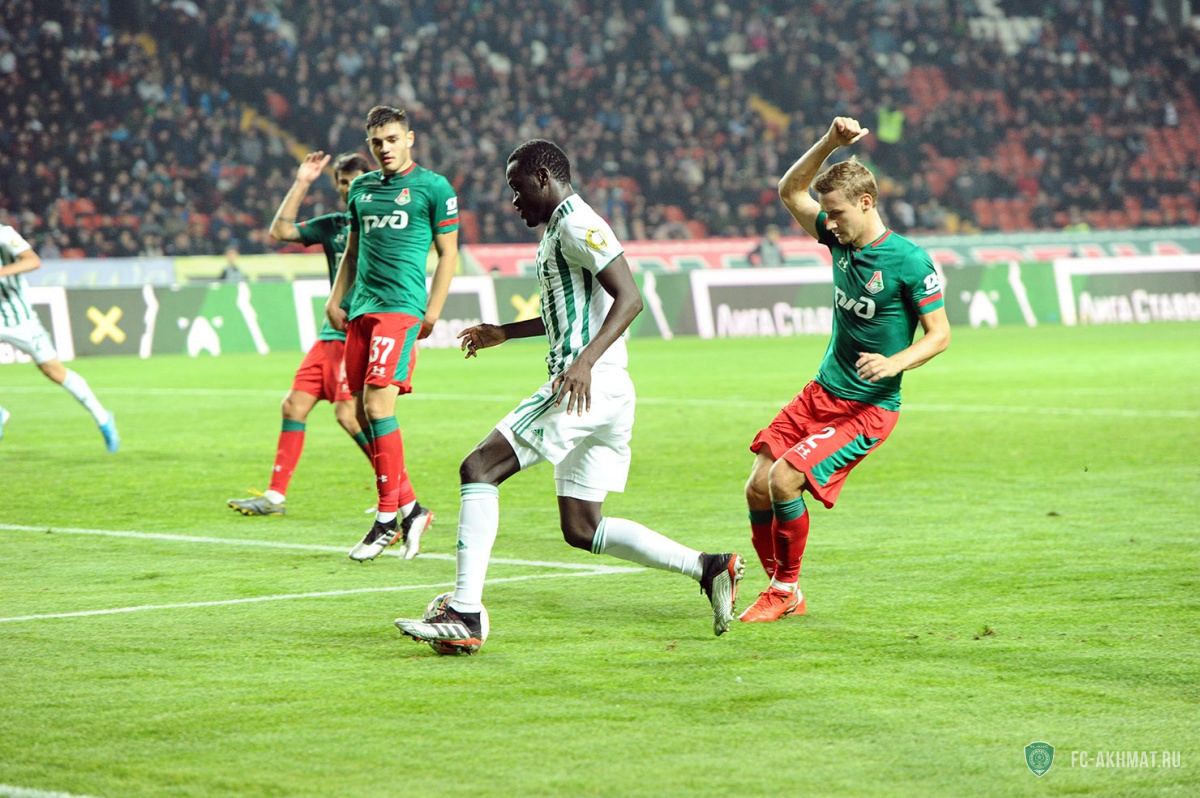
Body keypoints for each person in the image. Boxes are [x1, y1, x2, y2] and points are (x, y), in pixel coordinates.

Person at [394, 139, 744, 652]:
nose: (513, 201)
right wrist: (506, 332)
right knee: (582, 526)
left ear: (543, 177)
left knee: (479, 468)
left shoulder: (579, 224)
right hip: (606, 389)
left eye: (517, 188)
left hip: (584, 385)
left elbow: (630, 298)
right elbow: (573, 311)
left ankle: (465, 612)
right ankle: (709, 567)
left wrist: (584, 362)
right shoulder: (560, 229)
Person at [739, 117, 950, 622]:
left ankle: (784, 590)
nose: (828, 223)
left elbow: (940, 334)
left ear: (866, 203)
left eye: (836, 213)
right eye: (826, 214)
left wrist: (894, 362)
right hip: (821, 393)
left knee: (785, 480)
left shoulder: (909, 261)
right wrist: (830, 143)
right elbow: (789, 191)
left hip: (867, 409)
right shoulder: (838, 241)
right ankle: (781, 587)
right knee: (757, 486)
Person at [325, 106, 459, 561]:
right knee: (362, 413)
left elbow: (448, 253)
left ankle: (387, 520)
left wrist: (432, 311)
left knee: (379, 406)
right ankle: (413, 509)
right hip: (361, 309)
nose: (385, 148)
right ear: (369, 145)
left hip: (399, 309)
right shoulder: (361, 189)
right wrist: (336, 298)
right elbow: (353, 250)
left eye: (393, 139)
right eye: (377, 142)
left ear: (409, 139)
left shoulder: (433, 187)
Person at [227, 151, 373, 517]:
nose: (349, 187)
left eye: (355, 180)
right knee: (293, 406)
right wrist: (302, 182)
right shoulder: (334, 225)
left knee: (348, 415)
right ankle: (275, 497)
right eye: (343, 182)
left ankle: (400, 494)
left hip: (357, 332)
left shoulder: (382, 224)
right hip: (328, 335)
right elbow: (280, 232)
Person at [0, 222, 120, 451]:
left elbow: (32, 261)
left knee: (54, 372)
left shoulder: (4, 234)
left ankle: (103, 418)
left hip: (18, 318)